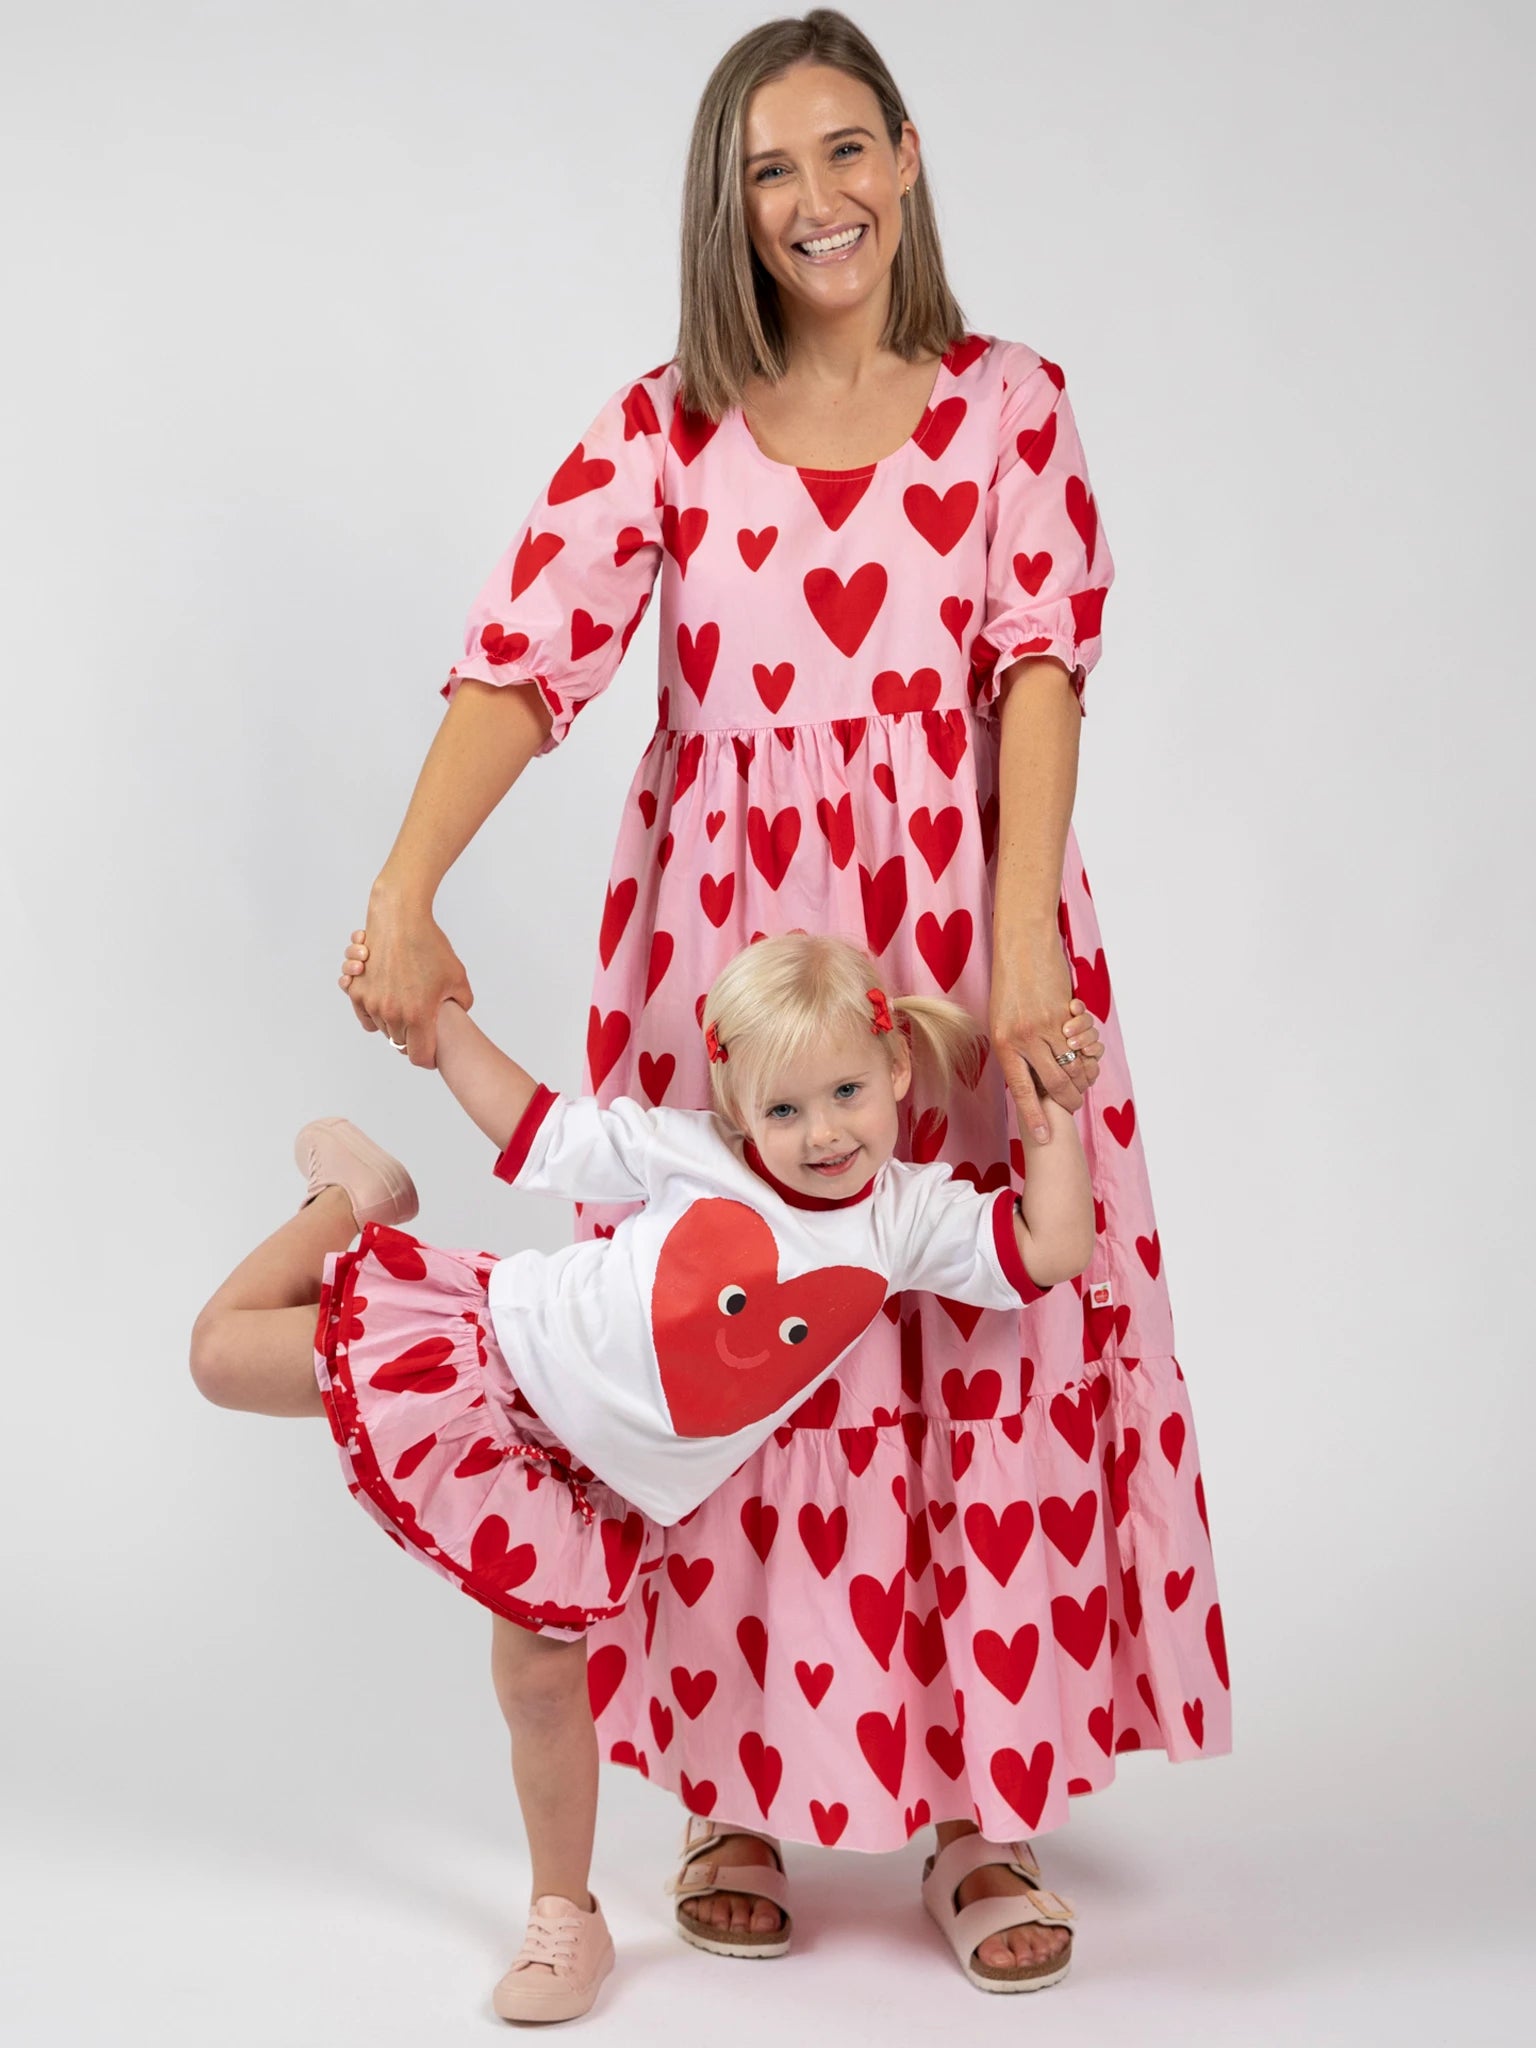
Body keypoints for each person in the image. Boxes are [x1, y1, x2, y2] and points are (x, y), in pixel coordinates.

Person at [338, 4, 1230, 1997]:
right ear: (725, 206)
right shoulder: (667, 424)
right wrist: (408, 885)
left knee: (973, 1326)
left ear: (906, 162)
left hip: (943, 944)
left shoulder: (1012, 408)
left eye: (844, 152)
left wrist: (1018, 957)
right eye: (768, 167)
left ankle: (981, 1802)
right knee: (716, 1334)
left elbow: (1038, 673)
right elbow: (524, 663)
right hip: (720, 966)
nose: (813, 198)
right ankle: (732, 1779)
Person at [188, 932, 1103, 2020]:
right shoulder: (688, 1151)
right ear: (735, 1109)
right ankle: (344, 1203)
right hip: (492, 1354)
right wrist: (438, 1031)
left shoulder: (904, 1216)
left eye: (848, 1092)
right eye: (783, 1110)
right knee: (217, 1355)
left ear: (897, 1068)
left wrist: (1052, 1106)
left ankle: (564, 1917)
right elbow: (534, 1124)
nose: (821, 1135)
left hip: (588, 1489)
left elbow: (1051, 1249)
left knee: (537, 1683)